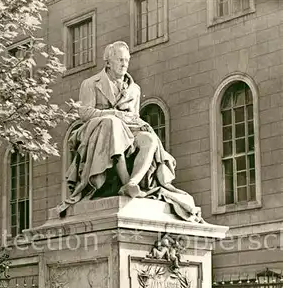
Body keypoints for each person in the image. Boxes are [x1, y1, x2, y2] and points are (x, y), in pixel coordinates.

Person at [59, 41, 203, 223]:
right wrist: (113, 114)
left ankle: (131, 183)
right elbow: (84, 113)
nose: (124, 64)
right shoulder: (90, 84)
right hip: (96, 131)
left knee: (149, 139)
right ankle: (125, 179)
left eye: (126, 60)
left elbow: (133, 117)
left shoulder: (134, 89)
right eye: (119, 60)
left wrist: (141, 124)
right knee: (112, 123)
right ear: (108, 62)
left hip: (127, 131)